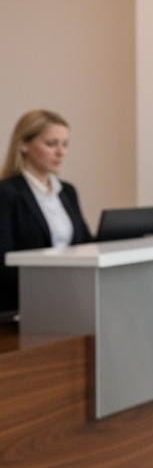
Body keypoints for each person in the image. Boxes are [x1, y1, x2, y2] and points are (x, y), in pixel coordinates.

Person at [0, 109, 93, 314]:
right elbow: (3, 262)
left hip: (69, 300)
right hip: (23, 306)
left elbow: (85, 244)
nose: (61, 152)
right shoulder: (6, 193)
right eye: (51, 144)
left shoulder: (67, 191)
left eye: (65, 144)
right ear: (23, 144)